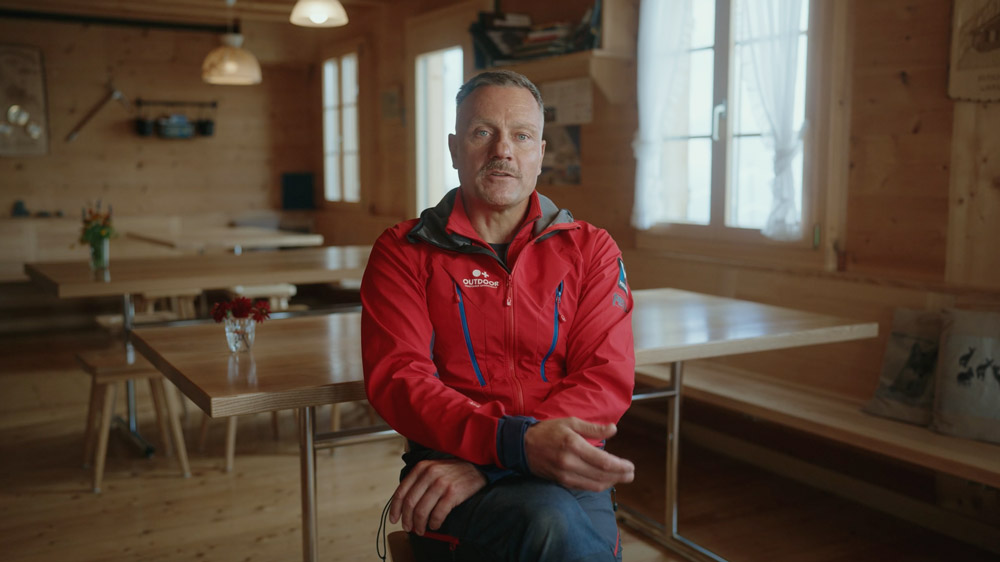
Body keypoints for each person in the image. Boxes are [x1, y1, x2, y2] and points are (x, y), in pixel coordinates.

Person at [361, 69, 635, 562]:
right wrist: (512, 446)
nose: (502, 150)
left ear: (540, 153)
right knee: (551, 524)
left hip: (559, 461)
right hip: (445, 469)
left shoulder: (591, 249)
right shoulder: (402, 251)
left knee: (563, 524)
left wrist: (495, 462)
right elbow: (401, 380)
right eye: (483, 132)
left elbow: (604, 381)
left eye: (521, 135)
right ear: (454, 148)